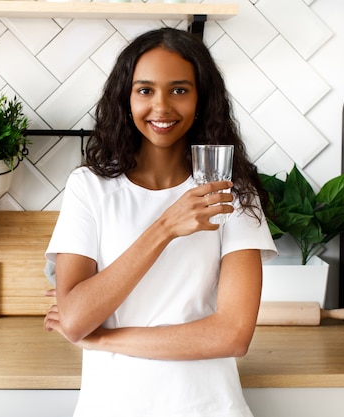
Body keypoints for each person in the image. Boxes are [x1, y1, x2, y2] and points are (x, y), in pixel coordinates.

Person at [43, 27, 277, 417]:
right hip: (112, 407)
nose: (162, 107)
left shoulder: (232, 194)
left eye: (180, 90)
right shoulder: (88, 189)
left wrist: (103, 340)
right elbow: (75, 318)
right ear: (126, 99)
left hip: (208, 407)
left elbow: (233, 335)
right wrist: (166, 227)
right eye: (146, 90)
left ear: (202, 100)